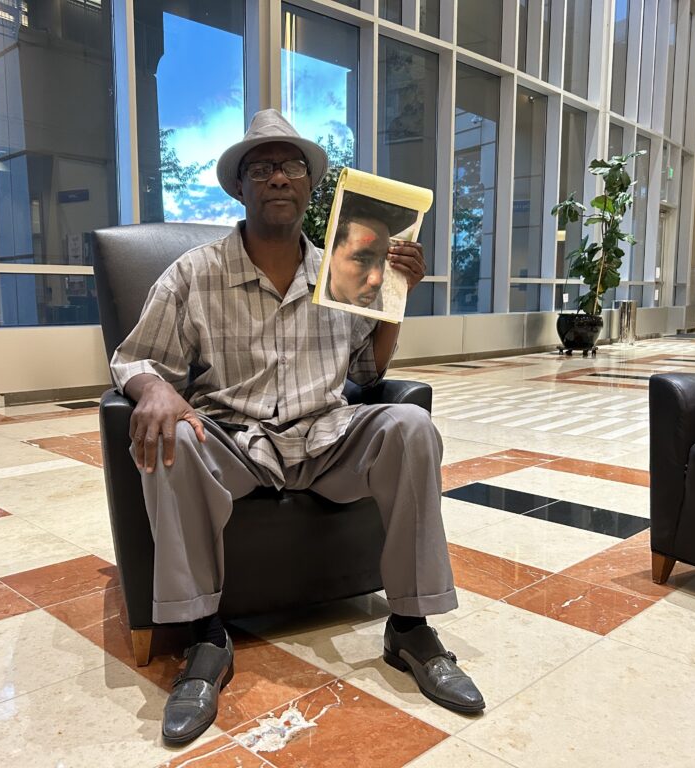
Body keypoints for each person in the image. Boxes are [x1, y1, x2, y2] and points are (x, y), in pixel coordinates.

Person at [110, 109, 484, 748]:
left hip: (325, 435)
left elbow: (368, 371)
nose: (277, 176)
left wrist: (396, 296)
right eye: (261, 167)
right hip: (231, 437)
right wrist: (153, 389)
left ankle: (410, 627)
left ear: (312, 186)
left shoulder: (345, 268)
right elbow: (135, 359)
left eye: (289, 167)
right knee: (172, 440)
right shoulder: (195, 273)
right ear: (241, 187)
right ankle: (204, 637)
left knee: (410, 425)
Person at [326, 193, 417, 310]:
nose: (377, 280)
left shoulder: (381, 303)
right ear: (330, 251)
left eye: (382, 260)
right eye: (362, 259)